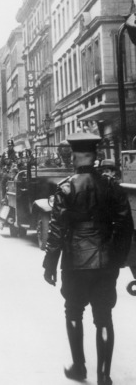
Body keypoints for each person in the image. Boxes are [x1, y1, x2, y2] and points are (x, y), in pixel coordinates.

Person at [42, 133, 134, 385]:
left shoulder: (66, 187)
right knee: (103, 317)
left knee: (73, 310)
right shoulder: (110, 185)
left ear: (75, 156)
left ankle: (79, 368)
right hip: (106, 261)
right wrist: (117, 257)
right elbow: (126, 224)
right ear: (94, 156)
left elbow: (57, 231)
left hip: (75, 261)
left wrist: (49, 264)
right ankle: (104, 376)